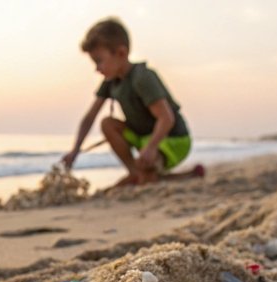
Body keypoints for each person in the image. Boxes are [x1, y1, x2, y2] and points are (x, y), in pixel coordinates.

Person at [62, 17, 197, 187]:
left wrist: (151, 147)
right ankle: (136, 173)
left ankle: (151, 175)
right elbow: (90, 117)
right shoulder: (111, 81)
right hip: (144, 138)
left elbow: (167, 118)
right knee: (107, 123)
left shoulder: (142, 77)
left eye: (99, 61)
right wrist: (75, 151)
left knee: (148, 172)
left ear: (121, 53)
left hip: (172, 138)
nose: (97, 68)